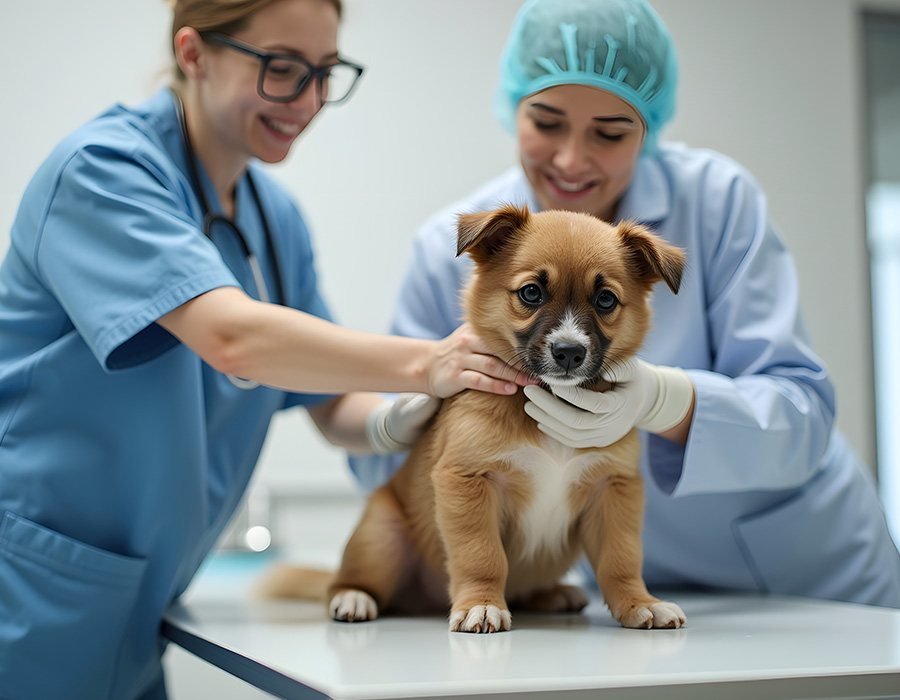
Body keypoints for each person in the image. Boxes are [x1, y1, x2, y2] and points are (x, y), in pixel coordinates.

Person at [0, 1, 534, 698]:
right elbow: (233, 338)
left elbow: (329, 399)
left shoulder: (275, 220)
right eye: (283, 69)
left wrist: (394, 419)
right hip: (32, 590)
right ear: (193, 53)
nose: (308, 100)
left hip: (137, 600)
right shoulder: (99, 172)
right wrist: (427, 362)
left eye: (325, 72)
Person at [349, 0, 900, 610]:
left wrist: (667, 400)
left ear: (649, 126)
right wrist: (397, 422)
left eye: (610, 132)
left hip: (805, 574)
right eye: (547, 122)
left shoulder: (719, 204)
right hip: (636, 587)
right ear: (515, 108)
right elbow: (390, 479)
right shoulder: (457, 245)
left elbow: (804, 418)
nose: (571, 159)